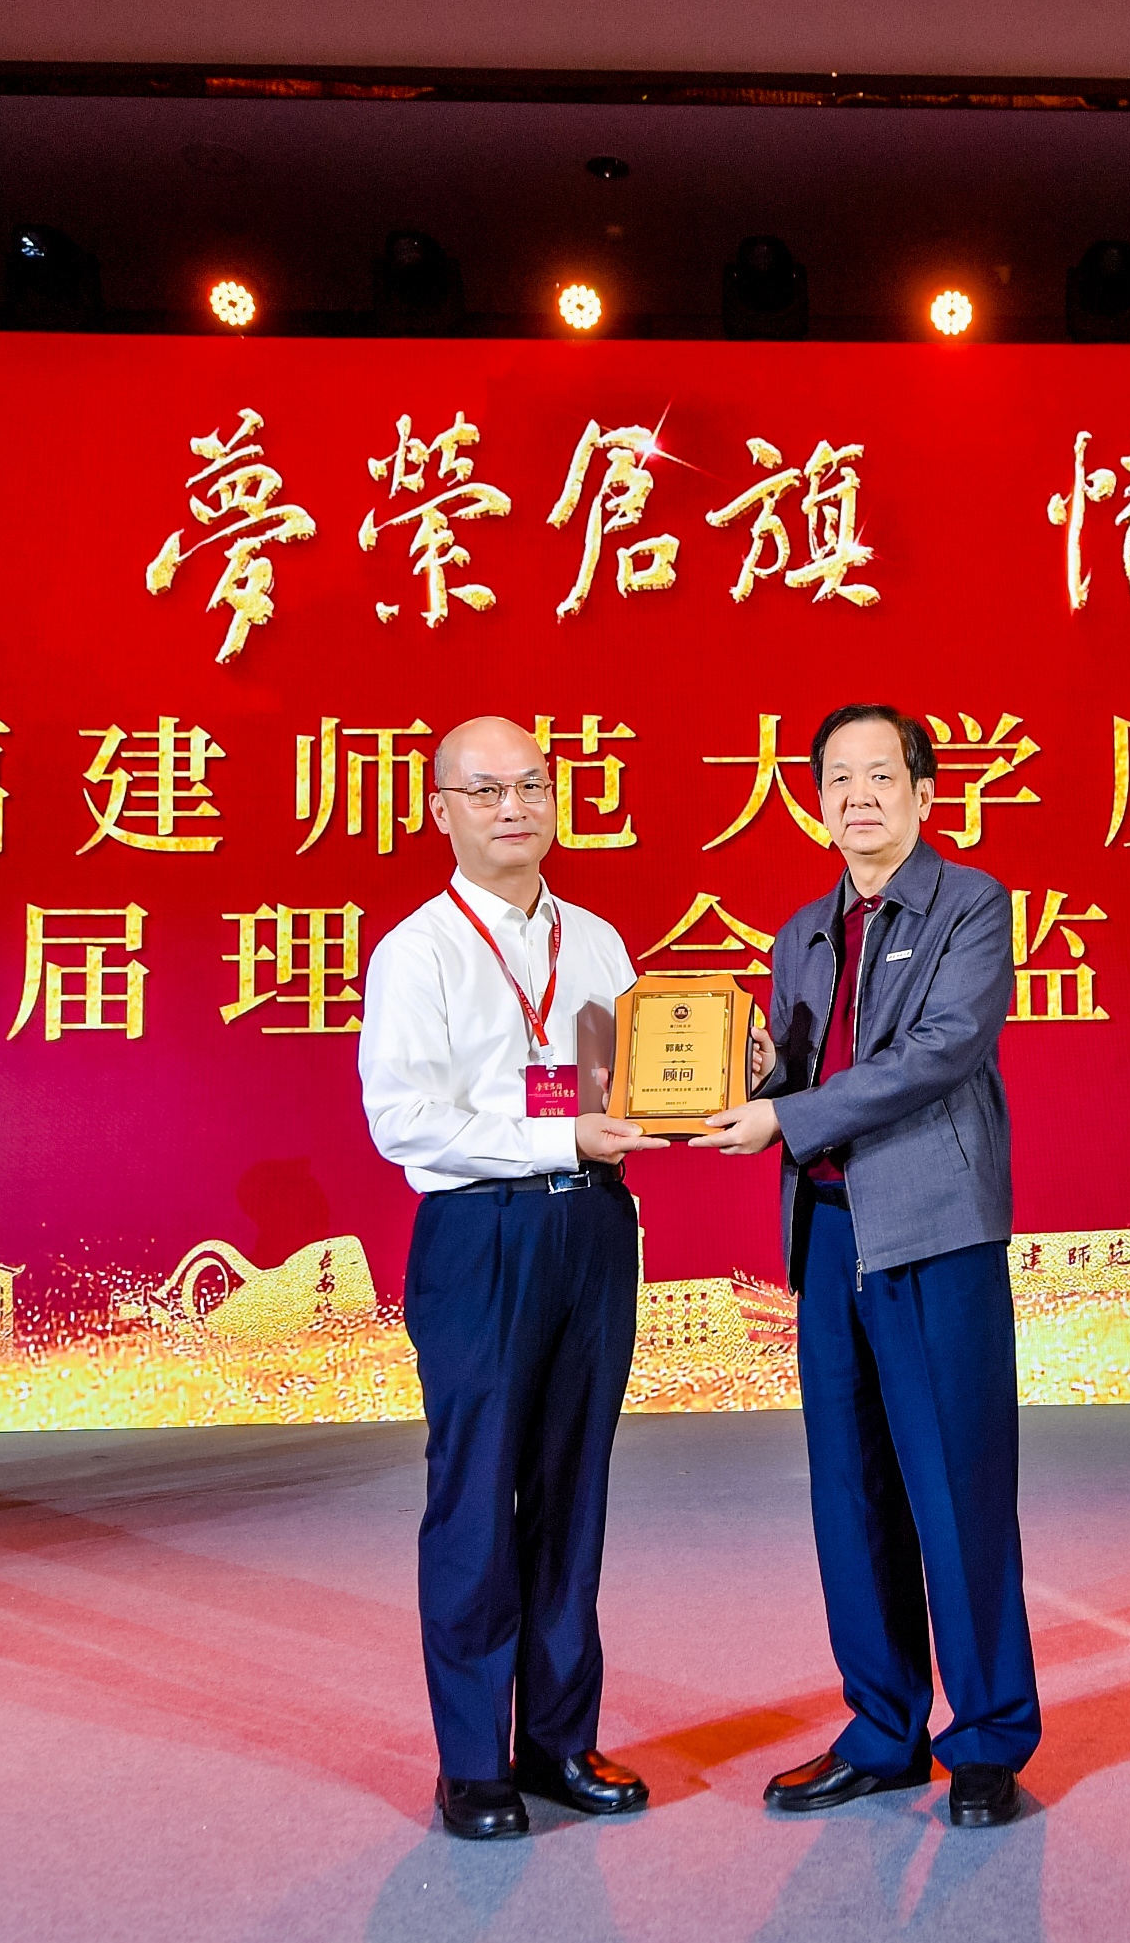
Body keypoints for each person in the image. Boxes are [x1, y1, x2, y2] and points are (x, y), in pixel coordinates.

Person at [699, 703, 1041, 1828]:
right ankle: (883, 1728)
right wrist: (755, 1072)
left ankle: (986, 1734)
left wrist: (785, 1114)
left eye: (879, 775)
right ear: (816, 801)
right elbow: (799, 1072)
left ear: (923, 793)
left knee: (956, 1484)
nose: (857, 796)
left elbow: (939, 1051)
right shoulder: (802, 930)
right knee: (850, 1491)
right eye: (836, 778)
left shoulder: (970, 903)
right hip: (830, 1230)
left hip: (933, 1231)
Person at [358, 715, 665, 1840]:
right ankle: (472, 1760)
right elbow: (404, 1120)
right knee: (478, 1496)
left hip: (592, 1225)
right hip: (479, 1232)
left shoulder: (597, 939)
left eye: (533, 784)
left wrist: (717, 1078)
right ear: (440, 808)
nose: (514, 807)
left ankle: (558, 1740)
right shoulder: (418, 951)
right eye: (485, 790)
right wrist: (556, 1135)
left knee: (573, 1490)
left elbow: (632, 1073)